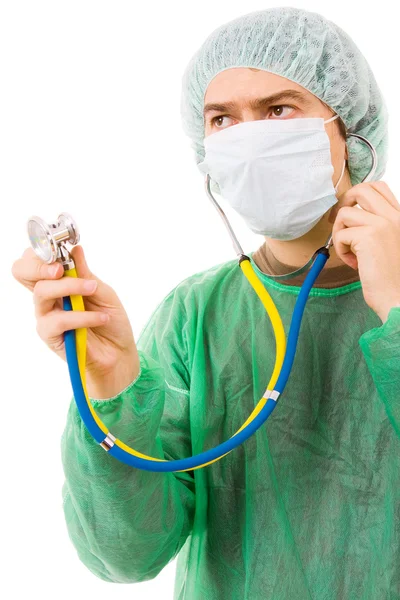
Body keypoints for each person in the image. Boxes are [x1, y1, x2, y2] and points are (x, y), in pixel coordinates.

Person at [11, 6, 400, 599]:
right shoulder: (197, 313)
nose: (249, 140)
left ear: (349, 130)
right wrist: (111, 388)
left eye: (278, 110)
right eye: (223, 120)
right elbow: (125, 557)